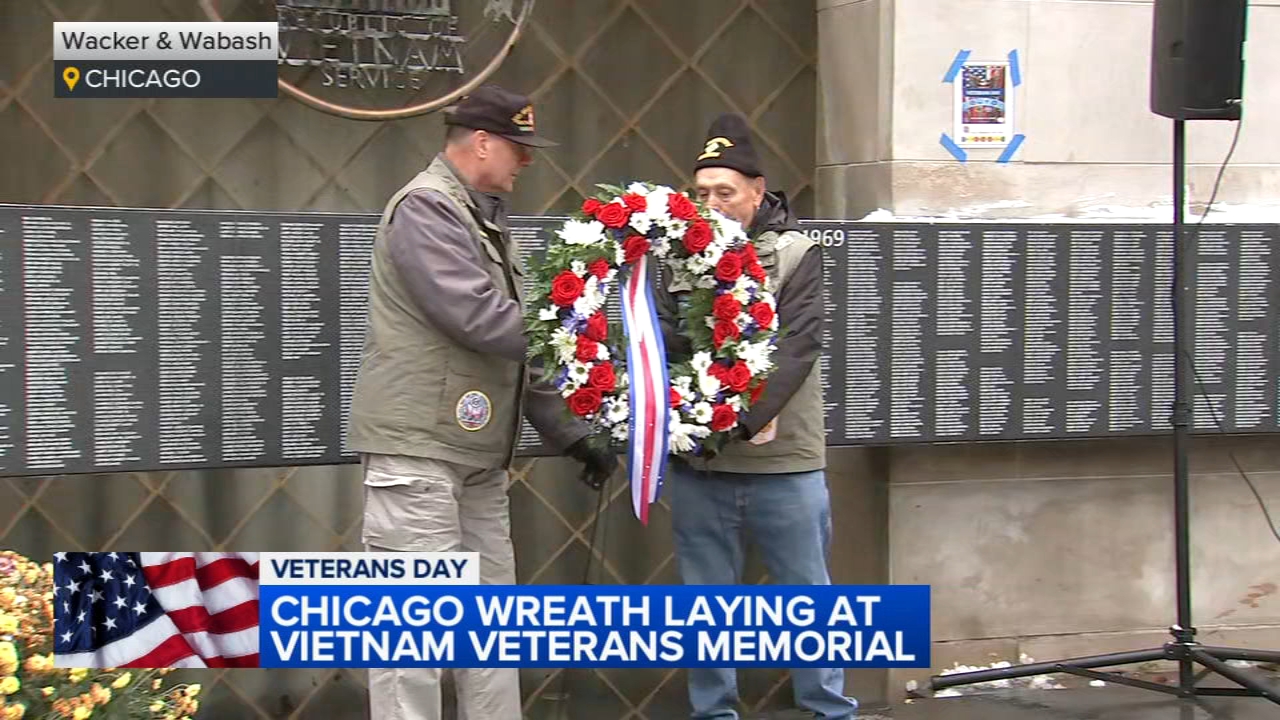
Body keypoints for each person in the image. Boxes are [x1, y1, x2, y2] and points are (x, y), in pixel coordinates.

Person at [346, 84, 617, 720]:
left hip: (471, 455)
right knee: (412, 635)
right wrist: (585, 326)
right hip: (419, 454)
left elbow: (516, 346)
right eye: (518, 148)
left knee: (490, 628)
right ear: (483, 143)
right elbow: (483, 320)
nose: (527, 161)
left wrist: (573, 432)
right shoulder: (426, 209)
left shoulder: (485, 222)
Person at [656, 113, 858, 720]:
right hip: (702, 470)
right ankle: (713, 712)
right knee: (705, 604)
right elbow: (664, 338)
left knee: (807, 600)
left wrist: (734, 423)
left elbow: (795, 350)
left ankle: (829, 710)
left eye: (726, 192)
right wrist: (690, 423)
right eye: (702, 193)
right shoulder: (676, 260)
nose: (713, 203)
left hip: (783, 465)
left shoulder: (796, 256)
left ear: (757, 190)